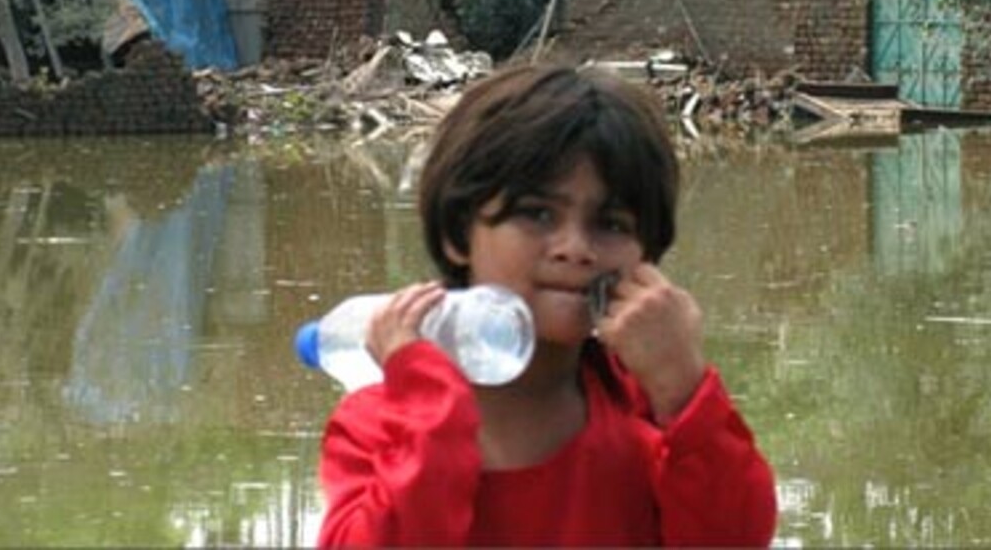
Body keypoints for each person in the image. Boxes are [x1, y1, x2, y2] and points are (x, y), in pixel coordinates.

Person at [315, 62, 777, 547]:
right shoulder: (381, 424)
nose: (575, 247)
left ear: (647, 256)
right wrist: (430, 406)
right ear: (458, 234)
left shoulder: (653, 417)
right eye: (537, 214)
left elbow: (737, 537)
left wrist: (684, 388)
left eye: (611, 224)